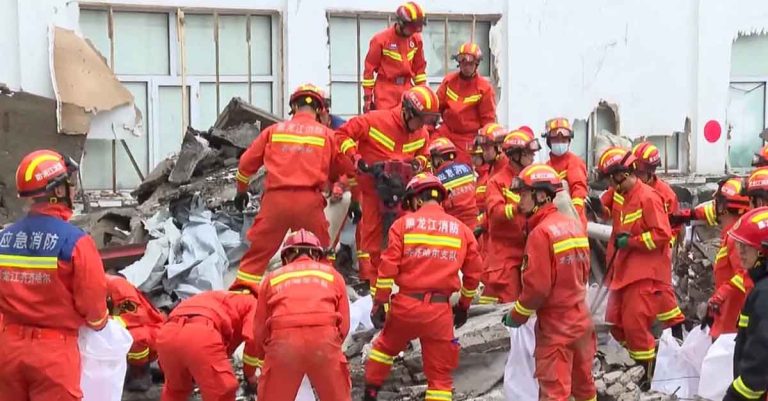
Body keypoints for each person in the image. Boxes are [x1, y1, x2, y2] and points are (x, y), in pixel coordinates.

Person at [0, 149, 108, 401]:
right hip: (53, 353)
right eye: (67, 185)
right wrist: (99, 324)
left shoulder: (4, 238)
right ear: (57, 191)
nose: (73, 190)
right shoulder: (76, 242)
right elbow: (93, 305)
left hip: (7, 349)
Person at [363, 173, 482, 401]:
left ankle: (370, 394)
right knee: (440, 380)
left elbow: (387, 271)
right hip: (439, 313)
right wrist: (464, 305)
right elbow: (473, 275)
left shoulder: (402, 226)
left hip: (405, 308)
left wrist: (380, 304)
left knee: (384, 348)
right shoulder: (462, 230)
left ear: (416, 200)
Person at [231, 84, 349, 293]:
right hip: (309, 203)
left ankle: (240, 303)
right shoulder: (327, 135)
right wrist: (335, 187)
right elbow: (342, 168)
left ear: (294, 106)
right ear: (320, 110)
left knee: (254, 261)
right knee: (320, 254)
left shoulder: (273, 131)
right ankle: (324, 301)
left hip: (275, 203)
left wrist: (241, 191)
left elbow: (245, 165)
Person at [501, 164, 596, 401]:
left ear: (541, 195)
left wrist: (517, 316)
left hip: (556, 329)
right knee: (585, 389)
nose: (519, 201)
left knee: (555, 393)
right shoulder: (573, 226)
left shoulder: (541, 234)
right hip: (581, 320)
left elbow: (537, 290)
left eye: (523, 194)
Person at [336, 86, 437, 289]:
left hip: (403, 196)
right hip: (374, 193)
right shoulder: (374, 121)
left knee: (404, 245)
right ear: (407, 111)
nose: (421, 126)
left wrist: (417, 163)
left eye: (426, 121)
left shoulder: (421, 133)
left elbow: (425, 156)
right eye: (420, 119)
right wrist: (356, 158)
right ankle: (377, 296)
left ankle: (401, 290)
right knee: (374, 248)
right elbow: (341, 135)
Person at [597, 147, 673, 390]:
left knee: (634, 326)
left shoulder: (648, 198)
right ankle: (638, 362)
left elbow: (662, 235)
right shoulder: (621, 194)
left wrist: (631, 242)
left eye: (611, 177)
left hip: (643, 274)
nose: (609, 183)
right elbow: (606, 207)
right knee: (614, 322)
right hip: (622, 271)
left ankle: (645, 381)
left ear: (623, 173)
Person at [252, 229, 350, 401]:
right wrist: (328, 346)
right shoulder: (333, 276)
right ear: (316, 254)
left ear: (287, 256)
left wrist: (266, 358)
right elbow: (344, 324)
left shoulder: (272, 278)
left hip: (284, 345)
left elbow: (259, 328)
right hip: (324, 342)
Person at [155, 290, 258, 401]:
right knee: (222, 391)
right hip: (200, 335)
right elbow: (253, 339)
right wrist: (250, 374)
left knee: (175, 390)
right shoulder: (254, 304)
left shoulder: (218, 296)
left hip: (167, 334)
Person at [630, 141, 686, 338]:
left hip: (659, 249)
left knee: (661, 292)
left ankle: (676, 331)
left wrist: (663, 247)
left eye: (640, 172)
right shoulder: (633, 189)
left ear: (651, 171)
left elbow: (671, 227)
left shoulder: (665, 194)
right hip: (641, 248)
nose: (636, 176)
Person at [481, 129, 540, 304]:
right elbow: (495, 213)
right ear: (515, 155)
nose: (532, 158)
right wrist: (517, 209)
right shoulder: (497, 182)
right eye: (528, 154)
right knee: (507, 310)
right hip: (504, 261)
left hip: (527, 254)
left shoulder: (531, 179)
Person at [722, 207, 768, 401]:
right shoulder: (760, 286)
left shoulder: (764, 293)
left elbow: (760, 361)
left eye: (747, 246)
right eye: (739, 244)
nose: (739, 251)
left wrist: (735, 396)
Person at [699, 178, 751, 338]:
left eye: (717, 202)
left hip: (731, 319)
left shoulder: (736, 238)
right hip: (726, 313)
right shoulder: (734, 233)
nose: (714, 206)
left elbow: (744, 274)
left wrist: (719, 296)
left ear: (724, 207)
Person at [434, 42, 496, 164]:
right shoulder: (449, 81)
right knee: (430, 152)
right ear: (459, 63)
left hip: (468, 138)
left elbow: (488, 121)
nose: (466, 66)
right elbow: (435, 107)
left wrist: (483, 143)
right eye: (463, 63)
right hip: (446, 131)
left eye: (470, 63)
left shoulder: (484, 88)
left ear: (476, 64)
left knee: (463, 169)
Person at [362, 1, 427, 111]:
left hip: (407, 89)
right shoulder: (380, 40)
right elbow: (369, 71)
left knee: (410, 124)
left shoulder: (416, 40)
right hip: (385, 91)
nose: (414, 32)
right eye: (412, 28)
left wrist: (423, 93)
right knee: (385, 123)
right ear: (401, 23)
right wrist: (368, 98)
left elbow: (419, 70)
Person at [107, 274, 166, 391]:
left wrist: (104, 321)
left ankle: (139, 375)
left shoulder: (117, 287)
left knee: (136, 337)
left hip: (148, 336)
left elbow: (136, 319)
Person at [543, 117, 588, 228]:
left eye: (563, 140)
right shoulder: (546, 167)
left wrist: (573, 215)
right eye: (556, 140)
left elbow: (579, 190)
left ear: (569, 141)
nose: (560, 143)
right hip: (553, 223)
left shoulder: (574, 162)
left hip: (574, 222)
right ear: (549, 141)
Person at [429, 137, 478, 229]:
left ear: (438, 159)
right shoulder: (467, 169)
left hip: (454, 227)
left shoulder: (436, 180)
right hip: (475, 223)